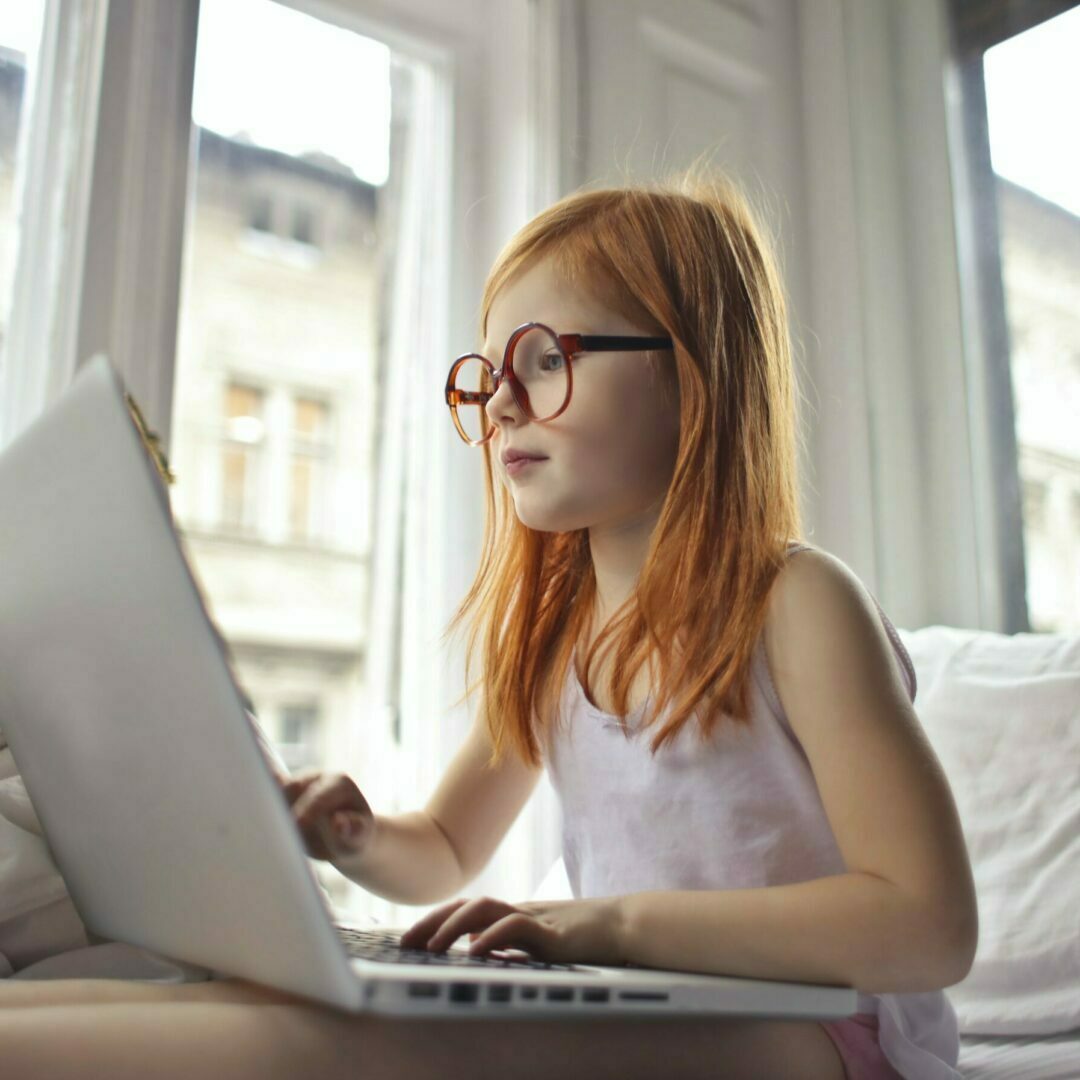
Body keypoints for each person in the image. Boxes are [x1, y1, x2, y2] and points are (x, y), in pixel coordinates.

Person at [0, 162, 978, 1080]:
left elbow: (927, 921)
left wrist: (604, 926)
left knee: (328, 1044)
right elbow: (442, 848)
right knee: (239, 998)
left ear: (694, 377)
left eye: (545, 359)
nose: (502, 401)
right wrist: (350, 835)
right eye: (490, 371)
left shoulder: (797, 605)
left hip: (831, 1032)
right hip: (640, 993)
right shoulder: (560, 636)